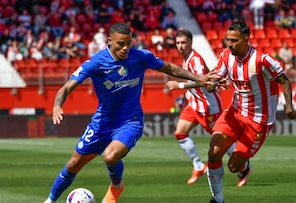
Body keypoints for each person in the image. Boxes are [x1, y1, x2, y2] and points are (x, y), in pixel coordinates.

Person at [43, 22, 217, 203]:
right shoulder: (96, 62)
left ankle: (116, 186)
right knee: (73, 164)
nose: (125, 48)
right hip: (102, 122)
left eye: (129, 43)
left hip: (130, 121)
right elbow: (66, 87)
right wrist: (57, 105)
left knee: (110, 156)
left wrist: (199, 77)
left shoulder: (140, 57)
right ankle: (50, 200)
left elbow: (170, 68)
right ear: (109, 41)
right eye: (120, 44)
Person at [205, 21, 296, 203]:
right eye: (228, 40)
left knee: (234, 166)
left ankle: (244, 167)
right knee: (214, 151)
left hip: (258, 121)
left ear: (246, 39)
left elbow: (285, 81)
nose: (229, 44)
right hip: (234, 112)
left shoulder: (262, 59)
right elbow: (215, 78)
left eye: (234, 40)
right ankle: (218, 200)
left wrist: (289, 106)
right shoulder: (225, 56)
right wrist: (211, 84)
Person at [165, 30, 240, 185]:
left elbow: (202, 81)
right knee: (180, 133)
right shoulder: (186, 59)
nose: (180, 46)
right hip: (194, 105)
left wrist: (179, 85)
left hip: (208, 106)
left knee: (221, 141)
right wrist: (188, 92)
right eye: (178, 43)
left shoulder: (195, 60)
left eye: (183, 43)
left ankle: (243, 167)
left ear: (190, 43)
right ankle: (198, 165)